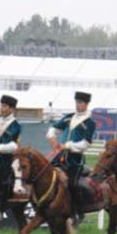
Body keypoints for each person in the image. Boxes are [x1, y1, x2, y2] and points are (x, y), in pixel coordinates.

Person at [47, 91, 96, 221]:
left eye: (80, 103)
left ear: (86, 104)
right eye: (76, 102)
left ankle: (77, 210)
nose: (77, 105)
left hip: (75, 160)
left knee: (73, 184)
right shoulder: (68, 117)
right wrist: (52, 137)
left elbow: (85, 143)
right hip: (60, 156)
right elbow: (53, 128)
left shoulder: (90, 123)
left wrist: (68, 145)